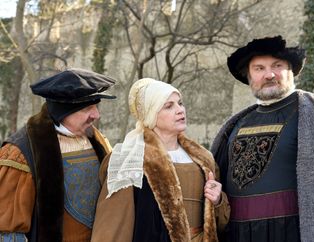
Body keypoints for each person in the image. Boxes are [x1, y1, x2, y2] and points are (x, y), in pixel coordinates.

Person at [211, 35, 314, 242]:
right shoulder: (235, 125)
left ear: (292, 71)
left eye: (277, 65)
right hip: (239, 235)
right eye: (259, 68)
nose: (269, 74)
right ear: (248, 76)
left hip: (293, 233)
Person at [91, 78, 230, 242]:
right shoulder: (130, 158)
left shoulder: (203, 159)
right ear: (151, 114)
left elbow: (221, 225)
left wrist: (218, 200)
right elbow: (113, 226)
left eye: (180, 103)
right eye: (169, 106)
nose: (180, 110)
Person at [0, 68, 117, 242]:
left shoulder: (96, 139)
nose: (96, 115)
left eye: (96, 106)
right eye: (87, 108)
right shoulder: (20, 152)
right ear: (64, 111)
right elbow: (9, 230)